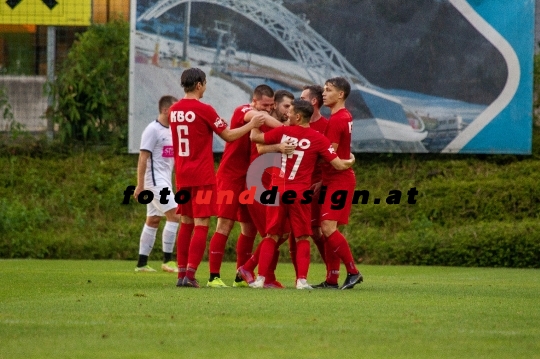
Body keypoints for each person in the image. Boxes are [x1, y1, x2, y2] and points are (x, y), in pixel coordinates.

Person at [170, 68, 264, 288]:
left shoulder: (174, 110)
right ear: (200, 84)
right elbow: (229, 135)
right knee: (202, 223)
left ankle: (181, 274)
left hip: (182, 174)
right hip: (202, 174)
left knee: (185, 223)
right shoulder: (204, 109)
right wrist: (251, 125)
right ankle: (191, 275)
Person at [249, 99, 355, 289]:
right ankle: (301, 281)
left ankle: (260, 279)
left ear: (298, 116)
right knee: (302, 237)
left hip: (277, 190)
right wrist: (350, 161)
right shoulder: (318, 138)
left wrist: (254, 125)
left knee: (271, 236)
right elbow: (338, 164)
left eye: (290, 112)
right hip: (299, 193)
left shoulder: (283, 133)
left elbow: (255, 138)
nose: (286, 115)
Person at [206, 85, 286, 288]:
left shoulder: (264, 118)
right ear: (255, 100)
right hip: (230, 176)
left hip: (251, 178)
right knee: (224, 225)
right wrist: (291, 132)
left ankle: (240, 276)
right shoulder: (243, 110)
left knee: (249, 229)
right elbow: (262, 119)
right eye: (264, 105)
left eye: (270, 105)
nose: (267, 109)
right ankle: (213, 277)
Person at [234, 90, 295, 288]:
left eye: (291, 107)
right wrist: (280, 145)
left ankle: (255, 271)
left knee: (279, 231)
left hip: (275, 182)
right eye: (285, 106)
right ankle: (258, 273)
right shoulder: (263, 122)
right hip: (258, 181)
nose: (288, 111)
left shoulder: (285, 125)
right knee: (273, 232)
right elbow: (257, 144)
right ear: (275, 105)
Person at [313, 77, 363, 290]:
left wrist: (304, 148)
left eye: (329, 90)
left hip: (339, 179)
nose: (324, 93)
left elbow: (328, 153)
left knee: (328, 227)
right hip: (332, 178)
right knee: (326, 229)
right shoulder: (343, 116)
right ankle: (332, 279)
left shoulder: (337, 120)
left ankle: (353, 272)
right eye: (324, 90)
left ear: (340, 94)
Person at [134, 95, 180, 273]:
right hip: (153, 181)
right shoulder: (152, 130)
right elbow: (142, 158)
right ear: (166, 110)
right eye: (175, 110)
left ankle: (142, 263)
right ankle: (168, 261)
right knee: (175, 215)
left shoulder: (172, 131)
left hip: (164, 180)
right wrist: (140, 185)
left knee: (153, 220)